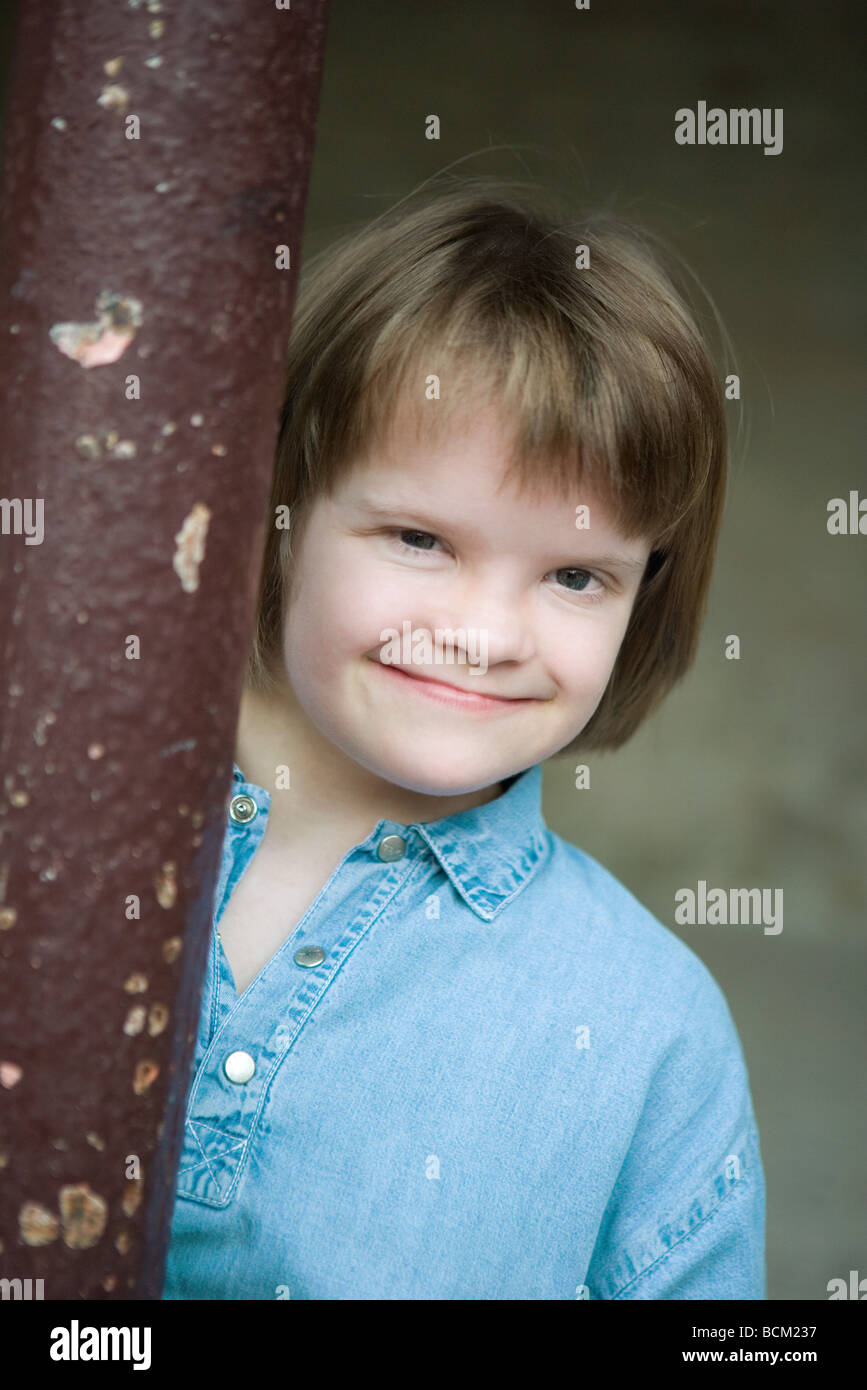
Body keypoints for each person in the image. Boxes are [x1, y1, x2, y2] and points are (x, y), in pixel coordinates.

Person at [162, 181, 765, 1299]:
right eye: (421, 538)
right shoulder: (53, 831)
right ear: (277, 507)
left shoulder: (651, 1032)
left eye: (577, 574)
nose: (484, 635)